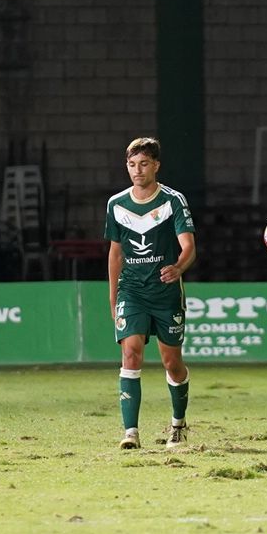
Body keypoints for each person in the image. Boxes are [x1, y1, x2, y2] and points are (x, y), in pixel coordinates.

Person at [104, 137, 196, 451]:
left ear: (156, 165)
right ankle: (131, 432)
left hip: (166, 293)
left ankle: (178, 425)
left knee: (172, 363)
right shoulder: (116, 204)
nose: (137, 170)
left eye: (143, 164)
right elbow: (115, 254)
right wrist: (113, 297)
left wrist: (178, 267)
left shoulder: (173, 200)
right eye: (132, 164)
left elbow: (189, 246)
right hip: (132, 291)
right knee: (130, 353)